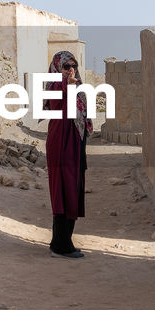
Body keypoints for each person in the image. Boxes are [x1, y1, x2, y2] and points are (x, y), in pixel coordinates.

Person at [45, 50, 92, 257]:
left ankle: (65, 241)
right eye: (66, 67)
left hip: (75, 145)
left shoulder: (78, 87)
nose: (71, 70)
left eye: (74, 66)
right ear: (57, 69)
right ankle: (60, 245)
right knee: (63, 191)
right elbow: (57, 100)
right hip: (62, 146)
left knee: (73, 190)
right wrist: (69, 85)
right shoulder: (55, 86)